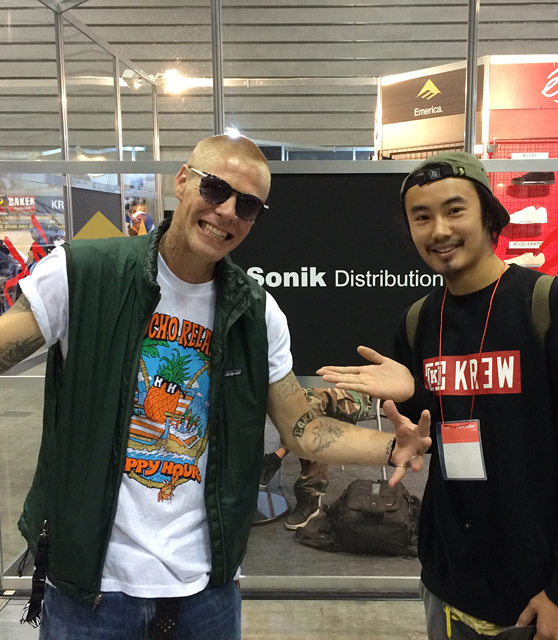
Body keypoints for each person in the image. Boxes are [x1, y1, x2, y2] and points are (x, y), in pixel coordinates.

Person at [0, 134, 431, 640]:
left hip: (206, 588)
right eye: (215, 189)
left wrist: (392, 446)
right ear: (183, 181)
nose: (227, 211)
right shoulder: (85, 274)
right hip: (91, 584)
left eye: (247, 205)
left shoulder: (255, 311)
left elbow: (302, 429)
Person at [318, 151, 558, 640]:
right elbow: (428, 430)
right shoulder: (418, 321)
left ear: (488, 215)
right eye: (421, 217)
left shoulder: (555, 306)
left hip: (537, 589)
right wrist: (411, 418)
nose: (439, 230)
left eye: (454, 210)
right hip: (447, 579)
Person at [259, 387, 371, 530]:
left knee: (307, 403)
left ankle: (276, 458)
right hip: (316, 394)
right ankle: (309, 496)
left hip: (355, 394)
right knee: (306, 409)